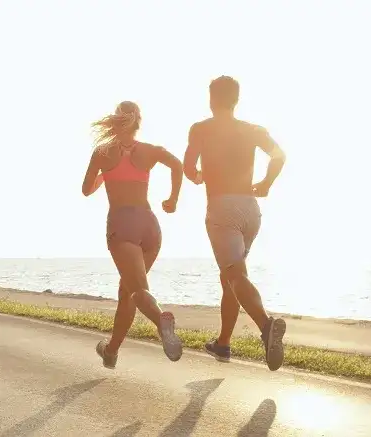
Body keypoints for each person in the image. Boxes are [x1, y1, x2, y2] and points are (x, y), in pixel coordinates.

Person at [183, 76, 288, 371]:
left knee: (234, 276)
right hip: (250, 210)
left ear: (211, 99)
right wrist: (266, 182)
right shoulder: (253, 130)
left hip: (222, 209)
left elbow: (189, 167)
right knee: (230, 277)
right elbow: (279, 155)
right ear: (236, 100)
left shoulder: (201, 129)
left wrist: (198, 175)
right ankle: (223, 343)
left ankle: (267, 327)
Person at [82, 101, 184, 369]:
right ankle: (111, 350)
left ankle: (161, 320)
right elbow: (176, 165)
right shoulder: (150, 151)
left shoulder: (103, 153)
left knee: (137, 290)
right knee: (127, 291)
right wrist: (173, 199)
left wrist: (106, 175)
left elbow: (86, 189)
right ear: (138, 122)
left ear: (115, 121)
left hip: (122, 225)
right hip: (150, 226)